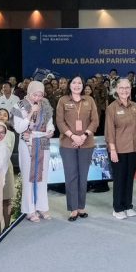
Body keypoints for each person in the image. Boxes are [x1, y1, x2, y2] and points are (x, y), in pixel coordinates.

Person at [55, 76, 100, 221]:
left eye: (80, 82)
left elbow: (95, 120)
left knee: (83, 176)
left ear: (83, 85)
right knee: (71, 176)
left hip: (86, 143)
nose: (77, 85)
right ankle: (73, 209)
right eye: (74, 82)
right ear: (70, 85)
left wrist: (84, 136)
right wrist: (73, 136)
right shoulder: (63, 100)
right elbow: (60, 121)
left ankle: (81, 207)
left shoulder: (89, 100)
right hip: (68, 144)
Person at [13, 81, 55, 222]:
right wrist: (31, 112)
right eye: (35, 94)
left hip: (42, 141)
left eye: (40, 94)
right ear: (29, 93)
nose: (38, 97)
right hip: (27, 142)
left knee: (42, 175)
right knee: (29, 177)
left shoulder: (46, 105)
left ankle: (42, 207)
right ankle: (29, 210)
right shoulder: (19, 105)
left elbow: (50, 123)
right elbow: (19, 128)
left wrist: (50, 130)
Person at [106, 78, 136, 219]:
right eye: (121, 88)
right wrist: (112, 150)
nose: (124, 90)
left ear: (130, 89)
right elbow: (109, 131)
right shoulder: (112, 108)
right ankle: (118, 208)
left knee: (129, 178)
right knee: (119, 179)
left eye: (127, 87)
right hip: (118, 150)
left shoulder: (135, 106)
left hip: (133, 149)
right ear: (117, 90)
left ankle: (128, 205)